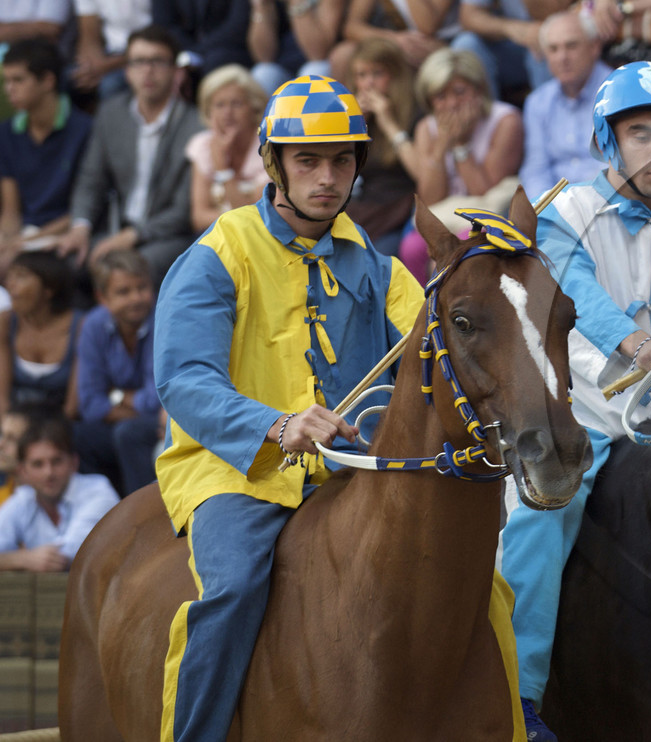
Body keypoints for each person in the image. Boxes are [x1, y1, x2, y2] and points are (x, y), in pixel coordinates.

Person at [150, 74, 444, 741]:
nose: (327, 177)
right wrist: (278, 425)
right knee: (229, 591)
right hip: (237, 472)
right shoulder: (216, 253)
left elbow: (434, 356)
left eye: (342, 160)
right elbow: (184, 380)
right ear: (273, 162)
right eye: (308, 159)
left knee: (478, 581)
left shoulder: (381, 266)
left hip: (354, 472)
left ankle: (512, 722)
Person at [497, 61, 651, 741]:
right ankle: (518, 698)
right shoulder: (564, 212)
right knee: (543, 511)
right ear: (607, 140)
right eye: (641, 134)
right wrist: (635, 347)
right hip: (586, 412)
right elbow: (576, 297)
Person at [58, 25, 205, 284]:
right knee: (65, 262)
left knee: (131, 272)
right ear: (126, 71)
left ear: (175, 71)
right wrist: (80, 227)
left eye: (157, 61)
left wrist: (132, 237)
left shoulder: (195, 124)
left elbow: (183, 210)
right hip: (116, 230)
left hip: (167, 238)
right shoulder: (111, 113)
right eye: (138, 62)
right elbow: (91, 179)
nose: (147, 70)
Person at [0, 38, 94, 265]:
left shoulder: (85, 130)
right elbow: (11, 210)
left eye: (18, 80)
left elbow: (85, 206)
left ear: (48, 80)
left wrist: (23, 244)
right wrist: (7, 242)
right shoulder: (6, 133)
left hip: (64, 236)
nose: (9, 89)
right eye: (6, 81)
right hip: (24, 234)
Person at [75, 250, 161, 495]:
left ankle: (145, 515)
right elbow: (90, 403)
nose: (136, 298)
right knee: (81, 435)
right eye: (124, 291)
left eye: (142, 287)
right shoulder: (93, 325)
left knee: (129, 434)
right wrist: (134, 402)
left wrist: (117, 396)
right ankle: (103, 513)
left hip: (166, 421)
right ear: (102, 297)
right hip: (125, 421)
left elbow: (158, 399)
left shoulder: (164, 318)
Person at [0, 413, 119, 572]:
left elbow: (60, 559)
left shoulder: (98, 491)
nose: (48, 472)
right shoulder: (24, 497)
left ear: (74, 462)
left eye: (56, 461)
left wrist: (16, 559)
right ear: (23, 471)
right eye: (38, 464)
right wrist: (24, 559)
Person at [409, 48, 524, 207]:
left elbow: (485, 197)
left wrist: (460, 143)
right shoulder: (425, 128)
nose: (452, 103)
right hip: (446, 217)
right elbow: (429, 201)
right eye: (441, 96)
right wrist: (442, 145)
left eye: (460, 92)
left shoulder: (506, 121)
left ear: (479, 90)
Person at [347, 37, 424, 262]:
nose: (368, 84)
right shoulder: (354, 117)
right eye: (362, 75)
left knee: (379, 257)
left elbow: (420, 172)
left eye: (377, 74)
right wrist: (356, 126)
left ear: (395, 75)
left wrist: (389, 123)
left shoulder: (415, 113)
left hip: (400, 210)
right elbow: (343, 169)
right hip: (365, 208)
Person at [517, 11, 609, 200]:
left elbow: (620, 168)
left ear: (594, 47)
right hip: (554, 211)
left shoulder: (617, 92)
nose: (562, 57)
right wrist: (545, 211)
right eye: (553, 49)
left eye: (571, 46)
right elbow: (535, 170)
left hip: (606, 204)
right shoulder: (537, 102)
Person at [185, 65, 272, 235]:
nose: (227, 113)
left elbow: (251, 219)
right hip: (215, 237)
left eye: (236, 104)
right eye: (219, 105)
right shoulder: (202, 145)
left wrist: (223, 170)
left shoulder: (268, 149)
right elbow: (199, 217)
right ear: (209, 111)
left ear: (253, 108)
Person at [0, 251, 81, 419]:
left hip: (63, 427)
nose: (10, 284)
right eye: (9, 277)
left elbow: (72, 408)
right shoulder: (6, 322)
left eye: (21, 277)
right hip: (12, 423)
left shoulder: (81, 326)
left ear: (49, 288)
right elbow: (2, 399)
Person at [454, 0, 550, 102]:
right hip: (510, 47)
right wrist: (509, 28)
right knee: (466, 44)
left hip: (548, 40)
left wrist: (541, 33)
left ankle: (548, 114)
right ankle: (491, 115)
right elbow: (469, 17)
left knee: (545, 45)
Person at [246, 0, 341, 96]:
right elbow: (263, 56)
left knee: (313, 72)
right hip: (283, 67)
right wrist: (262, 7)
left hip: (317, 62)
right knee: (264, 73)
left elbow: (318, 53)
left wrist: (297, 3)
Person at [70, 0, 151, 98]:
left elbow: (160, 37)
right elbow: (89, 33)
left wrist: (106, 66)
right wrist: (90, 67)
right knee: (71, 78)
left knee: (110, 86)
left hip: (148, 51)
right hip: (110, 52)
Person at [153, 0, 252, 76]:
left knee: (215, 61)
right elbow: (164, 25)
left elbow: (238, 26)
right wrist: (187, 54)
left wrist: (194, 54)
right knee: (153, 61)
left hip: (228, 49)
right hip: (182, 47)